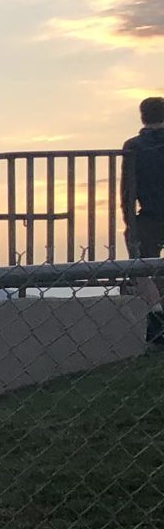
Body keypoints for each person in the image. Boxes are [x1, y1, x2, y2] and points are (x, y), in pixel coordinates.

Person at [123, 95, 164, 347]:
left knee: (141, 265)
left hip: (149, 216)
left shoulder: (134, 146)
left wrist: (129, 220)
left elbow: (128, 188)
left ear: (142, 116)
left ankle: (157, 311)